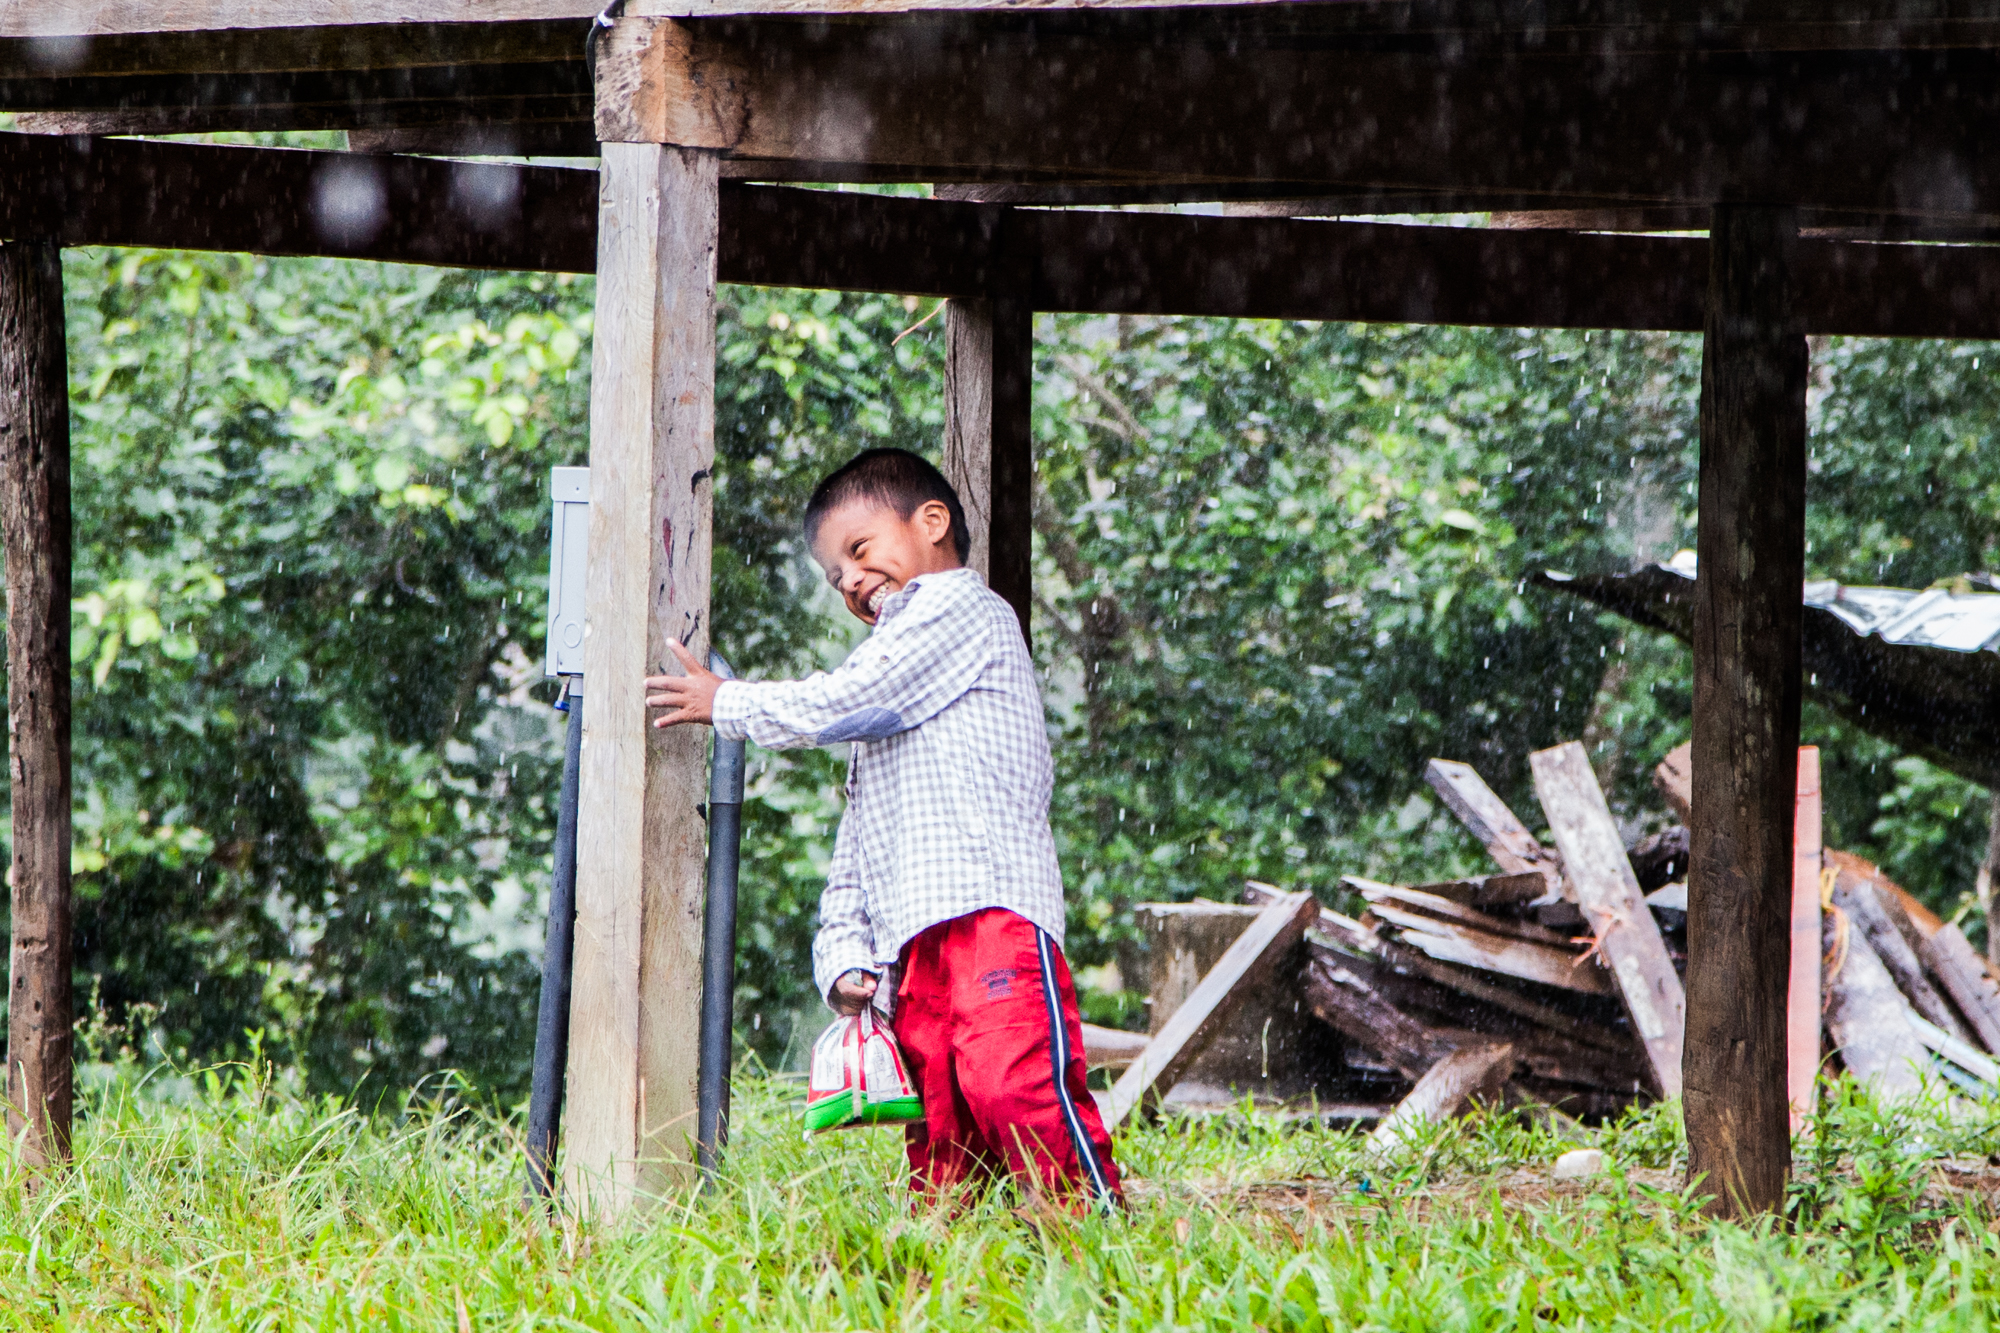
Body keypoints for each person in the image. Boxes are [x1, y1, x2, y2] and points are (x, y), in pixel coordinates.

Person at [645, 446, 1122, 1215]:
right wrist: (843, 950)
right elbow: (859, 834)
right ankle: (956, 1258)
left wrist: (728, 701)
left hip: (993, 913)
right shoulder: (887, 688)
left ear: (931, 521)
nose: (851, 580)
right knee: (940, 1122)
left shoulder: (961, 611)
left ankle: (1092, 1226)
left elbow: (841, 700)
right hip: (914, 944)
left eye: (860, 549)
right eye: (834, 575)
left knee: (1013, 1079)